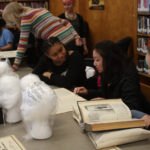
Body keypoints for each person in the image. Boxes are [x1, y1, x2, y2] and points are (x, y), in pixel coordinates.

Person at [74, 40, 150, 128]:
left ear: (109, 60)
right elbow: (105, 95)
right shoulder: (107, 72)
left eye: (97, 60)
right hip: (119, 117)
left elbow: (132, 106)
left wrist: (107, 104)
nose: (94, 64)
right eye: (94, 60)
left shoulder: (127, 74)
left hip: (138, 120)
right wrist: (88, 92)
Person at [2, 2, 83, 71]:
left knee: (41, 70)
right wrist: (76, 36)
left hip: (59, 45)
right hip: (71, 40)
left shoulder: (25, 17)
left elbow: (22, 44)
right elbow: (64, 22)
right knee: (72, 69)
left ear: (13, 16)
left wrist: (15, 66)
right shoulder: (41, 10)